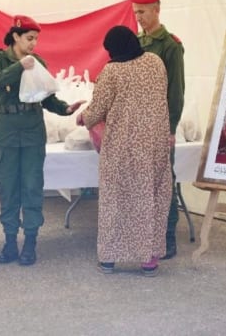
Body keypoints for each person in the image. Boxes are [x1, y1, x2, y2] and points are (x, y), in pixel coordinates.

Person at [0, 15, 85, 266]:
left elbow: (47, 97)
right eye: (29, 38)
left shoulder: (38, 62)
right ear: (16, 36)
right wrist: (20, 66)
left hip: (31, 130)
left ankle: (30, 243)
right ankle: (9, 243)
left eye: (36, 39)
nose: (33, 44)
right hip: (6, 131)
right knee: (8, 188)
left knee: (32, 186)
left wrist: (65, 109)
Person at [76, 25, 172, 276]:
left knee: (116, 198)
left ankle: (109, 257)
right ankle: (149, 258)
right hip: (154, 142)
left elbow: (97, 109)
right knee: (151, 196)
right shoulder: (155, 62)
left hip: (122, 144)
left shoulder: (112, 71)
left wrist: (83, 118)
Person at [132, 0, 184, 260]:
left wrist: (171, 128)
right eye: (136, 12)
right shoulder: (137, 42)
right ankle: (146, 235)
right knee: (143, 182)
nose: (138, 17)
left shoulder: (170, 45)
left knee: (164, 182)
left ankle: (167, 238)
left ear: (156, 10)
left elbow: (176, 91)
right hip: (139, 124)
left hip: (160, 125)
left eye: (142, 11)